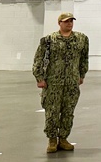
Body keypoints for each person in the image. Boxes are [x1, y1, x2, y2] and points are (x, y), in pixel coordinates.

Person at [32, 12, 89, 154]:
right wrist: (39, 78)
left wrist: (82, 74)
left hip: (71, 82)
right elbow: (38, 59)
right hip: (53, 82)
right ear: (59, 23)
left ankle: (63, 138)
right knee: (52, 112)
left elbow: (84, 58)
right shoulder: (49, 40)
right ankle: (52, 139)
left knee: (68, 112)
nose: (69, 23)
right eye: (66, 21)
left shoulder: (81, 39)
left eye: (71, 21)